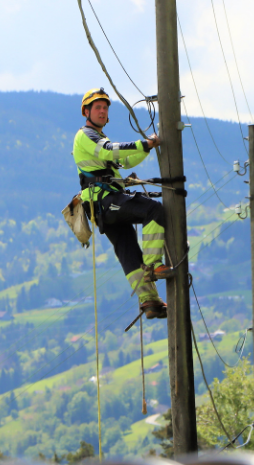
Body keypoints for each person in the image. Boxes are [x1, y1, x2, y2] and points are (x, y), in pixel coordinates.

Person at [73, 87, 173, 319]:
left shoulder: (98, 139)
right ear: (86, 112)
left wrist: (148, 147)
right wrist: (145, 144)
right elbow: (110, 151)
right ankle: (154, 265)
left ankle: (150, 302)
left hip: (102, 206)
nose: (102, 111)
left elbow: (125, 161)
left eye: (105, 108)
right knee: (152, 209)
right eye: (97, 108)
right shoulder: (86, 136)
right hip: (105, 201)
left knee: (127, 249)